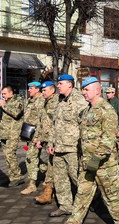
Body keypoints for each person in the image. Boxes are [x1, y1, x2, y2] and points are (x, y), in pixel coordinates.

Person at [65, 77, 119, 224]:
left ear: (97, 91)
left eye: (86, 89)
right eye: (83, 89)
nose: (83, 92)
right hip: (88, 164)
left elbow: (107, 142)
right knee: (82, 194)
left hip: (104, 166)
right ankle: (74, 221)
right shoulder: (87, 110)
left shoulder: (107, 110)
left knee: (112, 198)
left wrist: (93, 162)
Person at [48, 74, 87, 217]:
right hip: (59, 147)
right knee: (60, 179)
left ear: (70, 85)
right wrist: (51, 142)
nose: (58, 86)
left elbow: (85, 125)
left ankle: (92, 200)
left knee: (77, 178)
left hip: (72, 147)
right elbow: (55, 124)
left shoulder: (79, 101)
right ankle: (65, 206)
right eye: (58, 83)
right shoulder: (60, 100)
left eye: (61, 83)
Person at [34, 81, 59, 205]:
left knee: (53, 167)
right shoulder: (45, 102)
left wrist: (52, 141)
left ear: (52, 90)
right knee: (52, 166)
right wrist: (39, 138)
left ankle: (49, 192)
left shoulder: (57, 102)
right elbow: (42, 122)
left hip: (55, 140)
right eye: (42, 90)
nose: (42, 92)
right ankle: (49, 192)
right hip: (48, 140)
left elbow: (55, 124)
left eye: (45, 90)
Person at [19, 81, 46, 195]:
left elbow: (42, 121)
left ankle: (32, 185)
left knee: (30, 158)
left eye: (31, 88)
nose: (29, 90)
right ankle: (48, 173)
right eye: (29, 88)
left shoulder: (41, 101)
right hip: (29, 134)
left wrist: (39, 137)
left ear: (37, 89)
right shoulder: (29, 101)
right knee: (34, 157)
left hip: (38, 135)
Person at [0, 85, 25, 187]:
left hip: (13, 133)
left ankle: (17, 177)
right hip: (4, 132)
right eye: (2, 94)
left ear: (11, 92)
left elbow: (16, 113)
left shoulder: (19, 100)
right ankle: (12, 177)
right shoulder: (6, 102)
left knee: (10, 154)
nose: (3, 95)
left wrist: (4, 105)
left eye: (4, 93)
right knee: (6, 156)